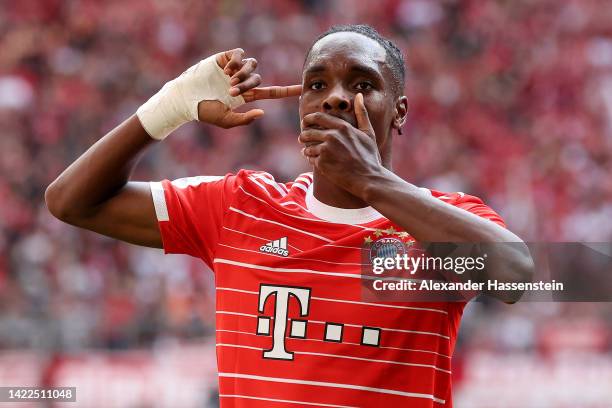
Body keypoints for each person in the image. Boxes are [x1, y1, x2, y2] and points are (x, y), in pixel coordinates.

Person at [46, 24, 533, 407]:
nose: (337, 96)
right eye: (317, 83)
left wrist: (370, 181)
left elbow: (517, 276)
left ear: (399, 112)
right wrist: (172, 105)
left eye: (363, 84)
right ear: (301, 106)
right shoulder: (240, 206)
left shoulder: (443, 222)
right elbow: (71, 200)